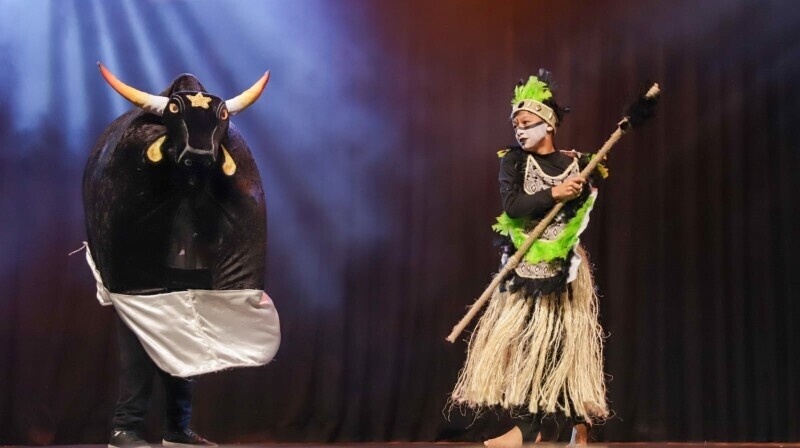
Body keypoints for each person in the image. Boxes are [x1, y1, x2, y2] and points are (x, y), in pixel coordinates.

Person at [451, 70, 609, 447]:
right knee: (525, 346)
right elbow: (513, 206)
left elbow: (580, 214)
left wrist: (577, 190)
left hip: (565, 269)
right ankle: (529, 428)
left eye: (527, 123)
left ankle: (579, 428)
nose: (519, 131)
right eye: (516, 124)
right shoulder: (513, 163)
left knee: (565, 346)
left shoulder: (580, 163)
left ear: (548, 123)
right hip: (523, 267)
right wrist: (555, 193)